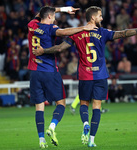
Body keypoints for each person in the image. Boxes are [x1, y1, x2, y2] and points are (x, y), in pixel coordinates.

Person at [33, 6, 137, 147]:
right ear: (93, 17)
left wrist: (44, 51)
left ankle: (85, 123)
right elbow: (122, 34)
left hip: (85, 75)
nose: (102, 18)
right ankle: (91, 140)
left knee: (84, 104)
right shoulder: (102, 32)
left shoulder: (77, 33)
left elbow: (60, 48)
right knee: (97, 106)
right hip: (100, 75)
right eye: (99, 16)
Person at [27, 6, 97, 148]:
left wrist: (63, 9)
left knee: (39, 108)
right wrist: (84, 28)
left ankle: (41, 140)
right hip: (50, 71)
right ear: (49, 17)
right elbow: (64, 32)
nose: (54, 18)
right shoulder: (50, 28)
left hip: (34, 71)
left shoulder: (32, 25)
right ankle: (52, 127)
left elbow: (41, 13)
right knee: (61, 104)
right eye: (53, 16)